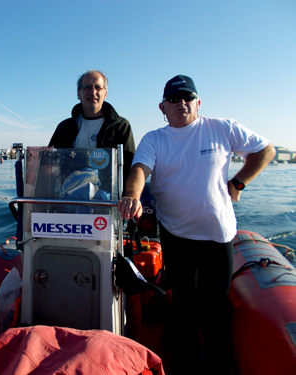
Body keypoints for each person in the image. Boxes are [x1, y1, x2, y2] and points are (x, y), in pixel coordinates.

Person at [117, 75, 275, 374]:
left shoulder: (222, 128)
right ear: (162, 107)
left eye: (187, 97)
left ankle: (217, 362)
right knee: (184, 302)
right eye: (174, 99)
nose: (182, 103)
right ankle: (184, 358)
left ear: (198, 102)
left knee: (216, 305)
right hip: (176, 234)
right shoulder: (155, 138)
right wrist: (131, 196)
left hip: (218, 234)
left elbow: (265, 150)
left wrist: (239, 182)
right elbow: (140, 168)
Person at [49, 70, 136, 189]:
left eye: (98, 87)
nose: (93, 92)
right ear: (79, 93)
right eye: (87, 87)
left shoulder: (121, 126)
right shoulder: (64, 127)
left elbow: (128, 168)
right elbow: (49, 165)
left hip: (107, 200)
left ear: (105, 94)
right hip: (69, 197)